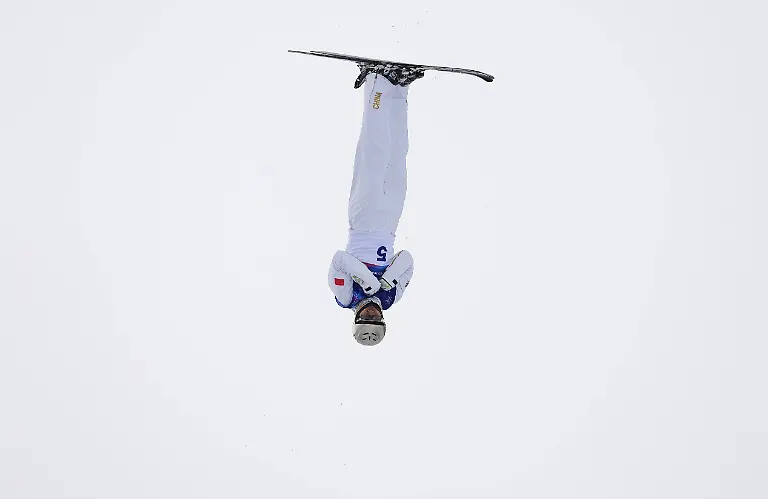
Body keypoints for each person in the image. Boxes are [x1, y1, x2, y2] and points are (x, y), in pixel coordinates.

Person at [327, 62, 424, 346]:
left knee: (375, 149)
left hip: (364, 220)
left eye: (365, 319)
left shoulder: (345, 297)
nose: (371, 313)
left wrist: (368, 281)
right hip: (390, 222)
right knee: (397, 152)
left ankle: (376, 82)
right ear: (383, 319)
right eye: (376, 320)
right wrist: (388, 280)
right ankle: (398, 88)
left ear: (357, 319)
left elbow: (338, 260)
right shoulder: (390, 297)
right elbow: (406, 260)